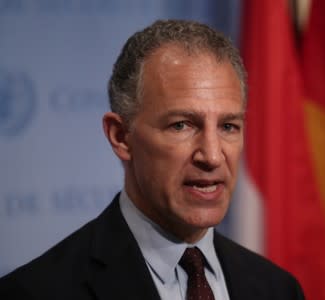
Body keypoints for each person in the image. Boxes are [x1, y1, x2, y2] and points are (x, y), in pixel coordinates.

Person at [0, 20, 304, 300]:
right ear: (121, 136)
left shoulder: (278, 289)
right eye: (181, 125)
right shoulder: (35, 292)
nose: (212, 156)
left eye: (228, 127)